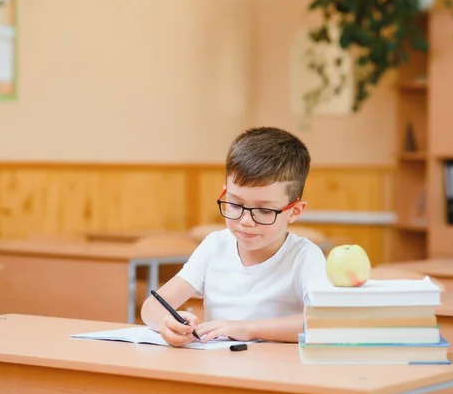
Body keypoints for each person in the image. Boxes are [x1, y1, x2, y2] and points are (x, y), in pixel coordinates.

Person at [140, 126, 327, 346]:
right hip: (219, 368)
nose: (246, 221)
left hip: (279, 372)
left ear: (294, 212)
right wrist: (168, 322)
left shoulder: (304, 256)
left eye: (265, 211)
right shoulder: (215, 246)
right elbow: (152, 306)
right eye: (235, 204)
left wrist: (248, 329)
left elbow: (323, 321)